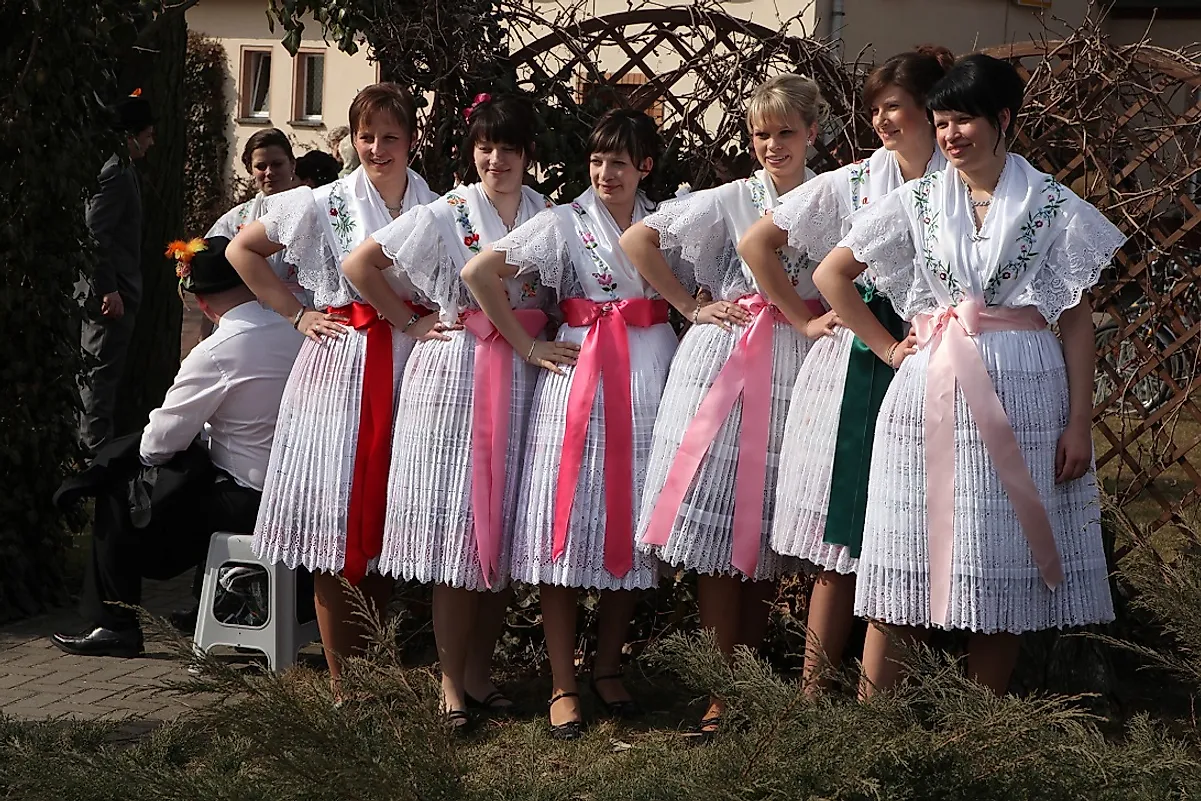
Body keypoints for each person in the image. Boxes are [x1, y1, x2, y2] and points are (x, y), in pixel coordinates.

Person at [813, 54, 1122, 698]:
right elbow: (831, 276)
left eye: (964, 122)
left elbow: (1075, 323)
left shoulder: (1055, 208)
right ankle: (874, 732)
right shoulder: (918, 200)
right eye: (942, 122)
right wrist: (889, 347)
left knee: (1001, 562)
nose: (951, 136)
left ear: (1002, 120)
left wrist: (1078, 424)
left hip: (1028, 400)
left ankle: (981, 734)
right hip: (928, 397)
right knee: (904, 557)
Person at [620, 74, 836, 735]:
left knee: (768, 523)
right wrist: (687, 304)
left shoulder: (832, 197)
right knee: (720, 533)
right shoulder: (729, 199)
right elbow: (639, 241)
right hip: (729, 361)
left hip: (801, 360)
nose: (771, 145)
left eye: (785, 132)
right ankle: (720, 687)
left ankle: (749, 675)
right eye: (759, 134)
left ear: (811, 134)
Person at [737, 46, 953, 695]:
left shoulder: (962, 178)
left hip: (934, 362)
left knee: (909, 530)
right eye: (874, 109)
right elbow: (756, 243)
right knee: (845, 536)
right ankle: (810, 692)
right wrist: (806, 321)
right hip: (861, 360)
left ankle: (883, 697)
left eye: (893, 106)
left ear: (929, 108)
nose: (883, 120)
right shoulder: (855, 181)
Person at [462, 110, 685, 739]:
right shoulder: (561, 222)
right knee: (562, 531)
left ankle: (608, 666)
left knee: (633, 524)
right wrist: (529, 348)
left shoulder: (667, 220)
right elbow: (479, 274)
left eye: (619, 161)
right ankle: (563, 681)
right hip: (579, 379)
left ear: (645, 165)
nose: (605, 173)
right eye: (596, 161)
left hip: (649, 376)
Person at [341, 93, 553, 730]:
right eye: (485, 148)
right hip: (456, 377)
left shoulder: (547, 213)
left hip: (519, 377)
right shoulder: (448, 210)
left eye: (509, 149)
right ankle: (449, 685)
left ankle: (482, 676)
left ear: (528, 155)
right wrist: (408, 319)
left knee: (503, 532)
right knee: (457, 535)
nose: (497, 160)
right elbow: (360, 265)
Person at [226, 83, 440, 694]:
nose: (377, 148)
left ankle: (381, 667)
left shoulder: (433, 202)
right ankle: (347, 683)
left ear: (412, 140)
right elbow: (243, 250)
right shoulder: (325, 202)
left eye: (391, 137)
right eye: (367, 136)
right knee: (337, 523)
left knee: (388, 518)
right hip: (343, 367)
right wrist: (295, 314)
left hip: (410, 365)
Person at [51, 236, 303, 657]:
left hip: (251, 500)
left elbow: (159, 442)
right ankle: (227, 604)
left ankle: (115, 625)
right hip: (302, 489)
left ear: (199, 303)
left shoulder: (218, 351)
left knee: (117, 492)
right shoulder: (292, 328)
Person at [79, 89, 154, 456]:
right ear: (131, 135)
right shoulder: (116, 173)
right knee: (99, 377)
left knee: (104, 376)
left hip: (118, 289)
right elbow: (95, 235)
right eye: (148, 134)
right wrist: (107, 288)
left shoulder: (121, 170)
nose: (151, 142)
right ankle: (92, 455)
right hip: (111, 295)